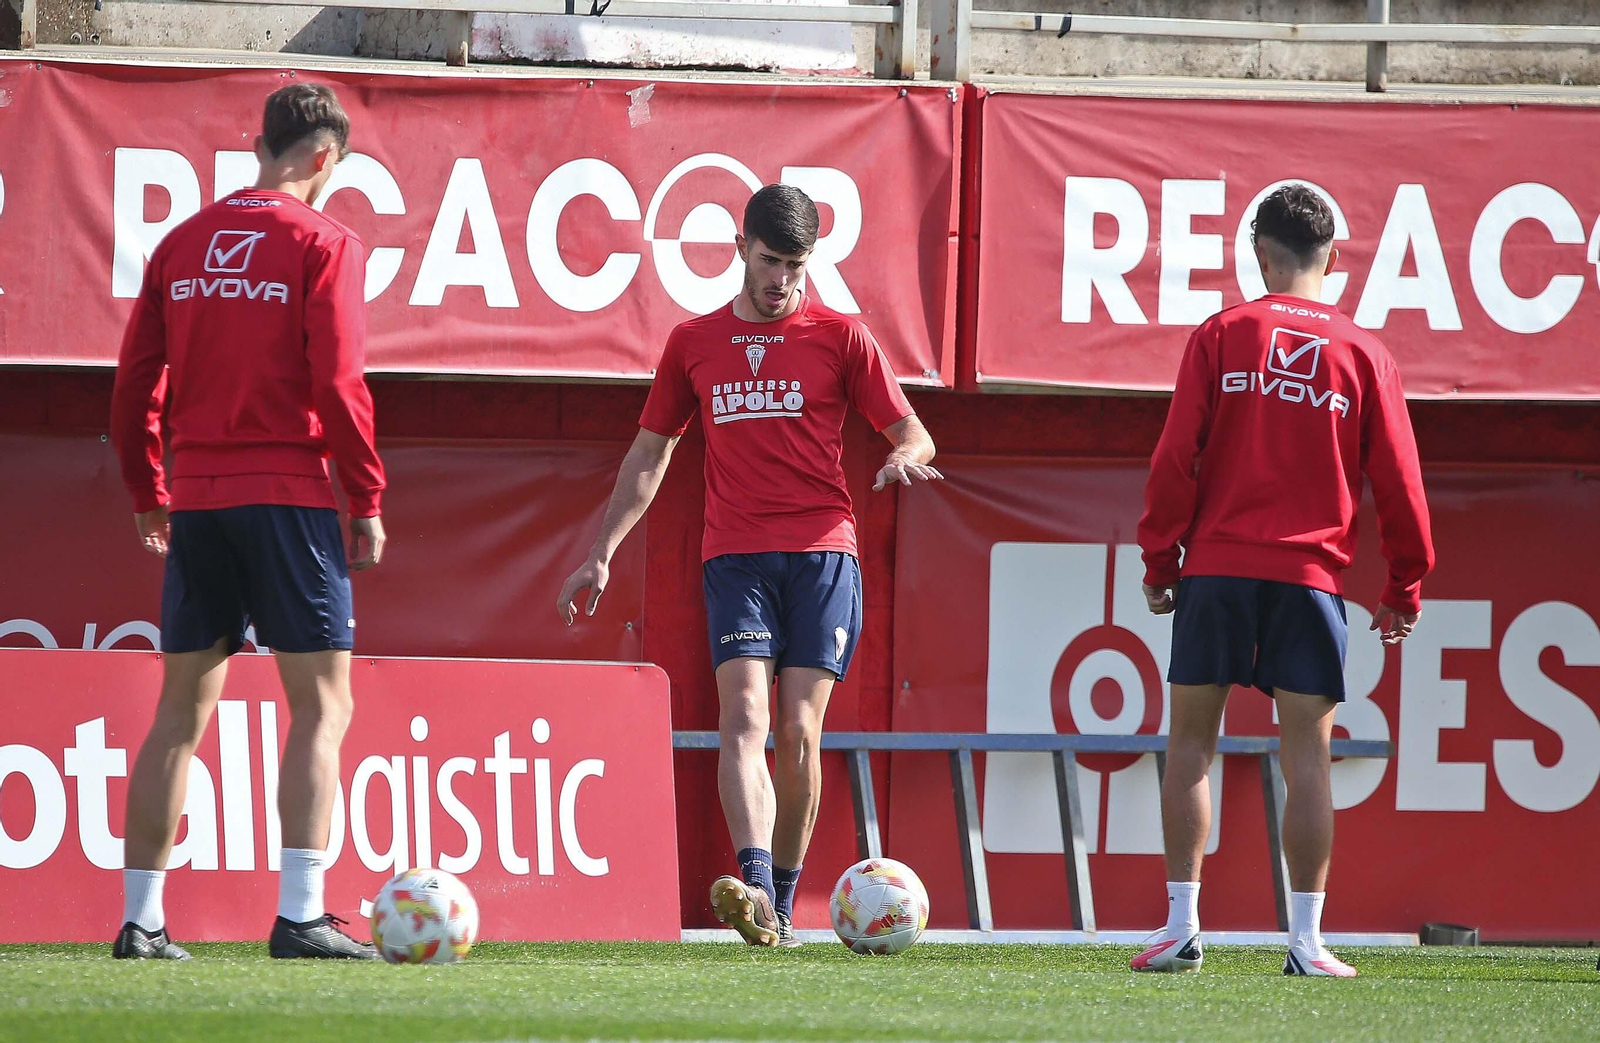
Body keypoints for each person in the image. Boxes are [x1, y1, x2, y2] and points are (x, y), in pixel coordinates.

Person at [556, 184, 940, 947]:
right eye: (770, 262)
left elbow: (916, 433)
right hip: (734, 556)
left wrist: (905, 454)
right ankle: (758, 888)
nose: (781, 281)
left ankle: (784, 897)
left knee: (798, 732)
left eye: (795, 266)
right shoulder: (693, 342)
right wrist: (601, 552)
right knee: (745, 719)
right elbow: (648, 453)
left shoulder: (842, 335)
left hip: (824, 553)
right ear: (740, 247)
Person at [108, 83, 386, 961]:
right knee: (322, 707)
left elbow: (131, 388)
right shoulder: (324, 242)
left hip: (198, 497)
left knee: (178, 712)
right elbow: (340, 383)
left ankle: (140, 923)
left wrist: (148, 488)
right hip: (290, 497)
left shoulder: (182, 243)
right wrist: (367, 496)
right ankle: (301, 913)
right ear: (323, 157)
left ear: (261, 145)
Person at [1133, 184, 1434, 977]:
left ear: (1257, 254)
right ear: (1333, 258)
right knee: (1307, 755)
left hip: (1219, 568)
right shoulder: (1366, 353)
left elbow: (1174, 460)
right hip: (1311, 577)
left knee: (1191, 742)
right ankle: (1304, 941)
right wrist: (1404, 585)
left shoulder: (1223, 332)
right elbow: (1401, 482)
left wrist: (1160, 560)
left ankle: (1180, 928)